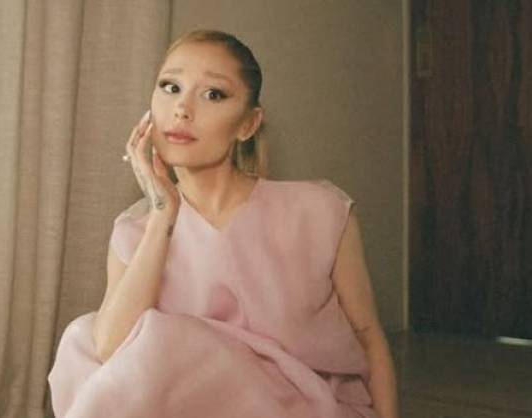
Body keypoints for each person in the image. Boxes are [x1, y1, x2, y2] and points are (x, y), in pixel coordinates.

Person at [48, 29, 399, 418]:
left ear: (248, 124)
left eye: (213, 94)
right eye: (170, 87)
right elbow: (110, 348)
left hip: (303, 407)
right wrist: (163, 214)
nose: (182, 108)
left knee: (163, 338)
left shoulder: (319, 212)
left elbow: (368, 336)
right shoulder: (135, 230)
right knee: (82, 338)